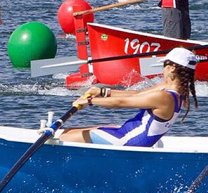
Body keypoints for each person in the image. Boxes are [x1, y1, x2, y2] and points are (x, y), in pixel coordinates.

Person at [60, 48, 199, 146]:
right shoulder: (175, 92)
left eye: (164, 65)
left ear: (172, 68)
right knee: (71, 130)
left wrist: (89, 101)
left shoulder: (164, 97)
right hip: (127, 132)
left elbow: (120, 103)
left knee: (64, 137)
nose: (162, 69)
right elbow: (136, 94)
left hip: (127, 140)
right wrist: (102, 92)